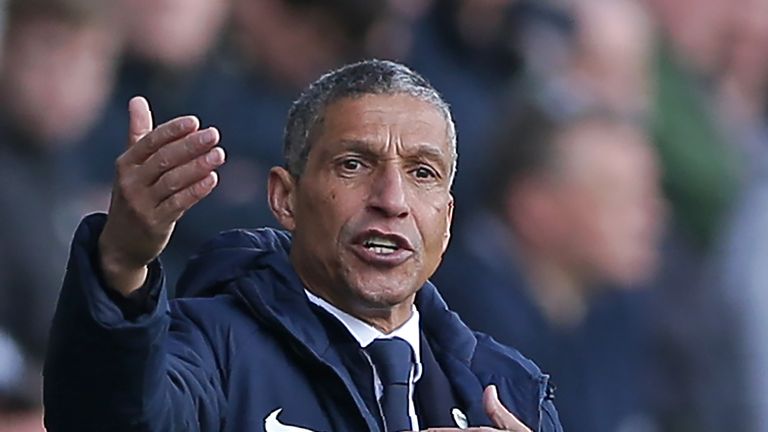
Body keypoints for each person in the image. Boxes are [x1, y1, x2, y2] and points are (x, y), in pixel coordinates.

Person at [43, 60, 562, 432]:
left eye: (423, 173)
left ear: (446, 221)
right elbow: (109, 418)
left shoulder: (511, 387)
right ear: (285, 198)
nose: (392, 199)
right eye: (354, 164)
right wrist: (122, 259)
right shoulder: (210, 351)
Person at [433, 104, 665, 432]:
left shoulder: (614, 307)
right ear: (536, 207)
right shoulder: (469, 326)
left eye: (650, 194)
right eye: (621, 198)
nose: (653, 216)